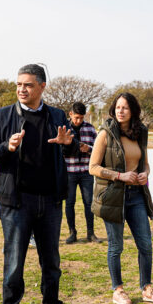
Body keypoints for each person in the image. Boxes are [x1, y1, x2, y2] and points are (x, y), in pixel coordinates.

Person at [0, 64, 80, 304]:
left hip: (50, 201)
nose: (21, 89)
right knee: (14, 262)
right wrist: (7, 147)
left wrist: (66, 143)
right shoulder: (2, 116)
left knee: (51, 261)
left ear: (42, 87)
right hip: (16, 202)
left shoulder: (58, 115)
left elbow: (74, 148)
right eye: (18, 84)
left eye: (28, 85)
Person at [89, 92, 153, 304]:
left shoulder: (141, 133)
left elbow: (146, 163)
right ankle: (118, 289)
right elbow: (92, 167)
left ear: (133, 111)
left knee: (145, 244)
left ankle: (147, 288)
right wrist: (119, 175)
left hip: (136, 196)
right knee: (116, 246)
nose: (120, 111)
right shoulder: (105, 134)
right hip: (113, 196)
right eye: (118, 107)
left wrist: (145, 174)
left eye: (125, 108)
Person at [64, 101, 100, 244]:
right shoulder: (64, 128)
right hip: (69, 172)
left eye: (81, 118)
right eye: (76, 117)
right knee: (69, 203)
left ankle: (90, 233)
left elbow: (98, 150)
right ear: (70, 114)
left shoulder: (91, 129)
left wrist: (89, 149)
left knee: (89, 203)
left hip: (86, 172)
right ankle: (72, 233)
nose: (78, 120)